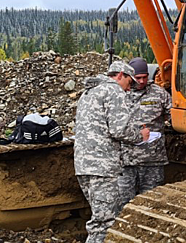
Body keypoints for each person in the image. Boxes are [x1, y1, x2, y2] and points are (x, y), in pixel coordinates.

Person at [74, 60, 150, 243]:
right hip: (103, 167)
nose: (129, 89)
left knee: (99, 216)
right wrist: (141, 135)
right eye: (129, 82)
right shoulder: (113, 91)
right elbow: (119, 129)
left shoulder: (89, 92)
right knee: (103, 223)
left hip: (83, 166)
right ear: (120, 75)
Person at [118, 57, 172, 205]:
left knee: (151, 203)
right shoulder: (119, 94)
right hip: (126, 160)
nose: (141, 81)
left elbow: (174, 114)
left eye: (145, 77)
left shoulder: (159, 94)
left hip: (153, 160)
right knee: (123, 203)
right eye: (138, 78)